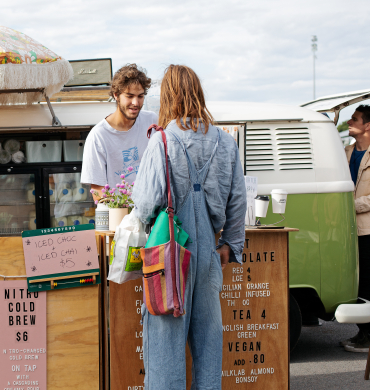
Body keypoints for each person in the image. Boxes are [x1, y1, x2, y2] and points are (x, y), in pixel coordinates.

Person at [132, 65, 246, 389]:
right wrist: (229, 246)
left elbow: (144, 204)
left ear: (168, 96)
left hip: (170, 256)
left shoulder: (163, 141)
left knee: (165, 347)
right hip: (210, 253)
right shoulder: (226, 142)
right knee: (209, 344)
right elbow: (238, 202)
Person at [81, 64, 157, 201]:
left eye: (140, 96)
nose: (136, 102)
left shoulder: (152, 121)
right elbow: (98, 192)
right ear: (116, 95)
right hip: (120, 218)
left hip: (153, 214)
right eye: (129, 96)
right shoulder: (98, 136)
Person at [341, 105, 370, 352]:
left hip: (366, 228)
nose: (349, 122)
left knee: (366, 280)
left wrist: (347, 206)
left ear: (368, 125)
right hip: (344, 229)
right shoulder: (345, 151)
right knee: (353, 280)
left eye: (354, 119)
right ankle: (364, 331)